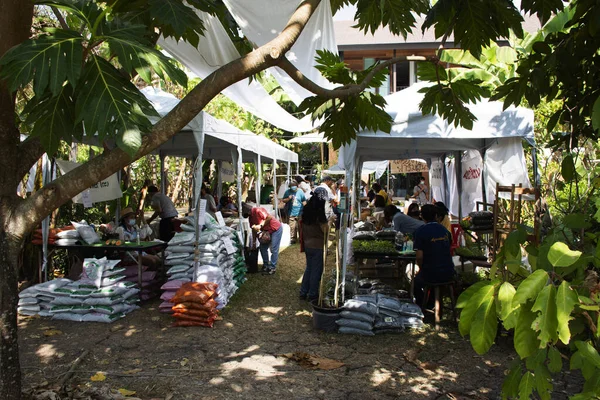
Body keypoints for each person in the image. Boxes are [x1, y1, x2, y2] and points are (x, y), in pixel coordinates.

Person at [413, 204, 456, 306]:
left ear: (422, 217)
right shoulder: (445, 231)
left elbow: (419, 256)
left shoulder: (420, 231)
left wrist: (421, 268)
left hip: (431, 273)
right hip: (449, 272)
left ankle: (422, 306)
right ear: (436, 216)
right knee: (433, 279)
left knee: (415, 283)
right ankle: (434, 305)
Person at [300, 187, 329, 301]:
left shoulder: (306, 210)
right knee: (316, 271)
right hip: (318, 246)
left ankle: (303, 291)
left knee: (309, 269)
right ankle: (312, 294)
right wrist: (330, 221)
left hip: (308, 245)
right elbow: (325, 230)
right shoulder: (319, 214)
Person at [244, 205, 283, 275]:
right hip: (266, 231)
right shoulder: (250, 218)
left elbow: (269, 217)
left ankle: (272, 267)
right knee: (262, 248)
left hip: (275, 229)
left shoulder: (258, 210)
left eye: (247, 214)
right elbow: (254, 230)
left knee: (274, 249)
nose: (248, 216)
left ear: (249, 211)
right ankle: (266, 265)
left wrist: (260, 225)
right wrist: (253, 242)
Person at [282, 180, 306, 244]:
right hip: (291, 212)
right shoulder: (287, 192)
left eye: (294, 186)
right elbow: (283, 200)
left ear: (297, 186)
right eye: (292, 186)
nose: (293, 187)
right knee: (292, 227)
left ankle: (301, 239)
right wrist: (288, 199)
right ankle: (293, 238)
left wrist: (306, 209)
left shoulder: (300, 192)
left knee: (300, 226)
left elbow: (304, 200)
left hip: (300, 212)